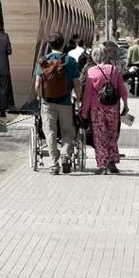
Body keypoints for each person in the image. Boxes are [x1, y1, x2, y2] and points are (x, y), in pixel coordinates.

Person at [34, 32, 81, 175]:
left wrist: (40, 97)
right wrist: (78, 98)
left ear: (49, 45)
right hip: (65, 102)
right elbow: (76, 83)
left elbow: (37, 85)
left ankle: (54, 165)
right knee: (68, 131)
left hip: (47, 102)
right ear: (63, 44)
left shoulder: (42, 61)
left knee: (50, 133)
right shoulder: (70, 61)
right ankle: (65, 154)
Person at [80, 44, 127, 174]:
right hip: (113, 107)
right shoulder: (114, 69)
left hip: (97, 108)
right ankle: (112, 162)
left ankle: (103, 165)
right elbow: (122, 89)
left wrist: (84, 111)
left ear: (94, 57)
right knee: (112, 134)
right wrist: (126, 105)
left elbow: (88, 94)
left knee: (100, 136)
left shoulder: (91, 71)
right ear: (106, 55)